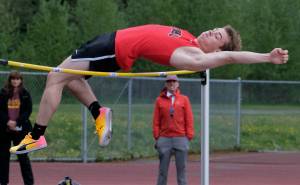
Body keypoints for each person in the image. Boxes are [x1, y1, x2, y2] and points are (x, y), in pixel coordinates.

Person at [10, 24, 289, 154]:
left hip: (116, 48)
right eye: (214, 29)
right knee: (71, 79)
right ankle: (99, 112)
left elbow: (230, 57)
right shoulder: (191, 39)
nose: (210, 32)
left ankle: (37, 135)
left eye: (217, 36)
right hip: (113, 40)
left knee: (55, 77)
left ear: (218, 49)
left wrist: (267, 57)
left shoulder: (195, 58)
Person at [153, 75, 194, 185]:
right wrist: (157, 137)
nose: (172, 84)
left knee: (182, 170)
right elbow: (156, 120)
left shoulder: (184, 99)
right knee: (162, 171)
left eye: (174, 81)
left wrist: (188, 136)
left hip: (180, 138)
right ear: (166, 84)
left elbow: (189, 118)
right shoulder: (159, 100)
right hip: (164, 138)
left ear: (178, 84)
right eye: (169, 81)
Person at [0, 71, 37, 185]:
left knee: (23, 157)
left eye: (18, 79)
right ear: (10, 80)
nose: (15, 81)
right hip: (5, 130)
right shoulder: (3, 93)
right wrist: (8, 121)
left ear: (21, 80)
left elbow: (28, 110)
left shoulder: (25, 93)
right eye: (13, 79)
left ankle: (29, 182)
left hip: (20, 130)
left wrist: (17, 122)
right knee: (3, 157)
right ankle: (3, 181)